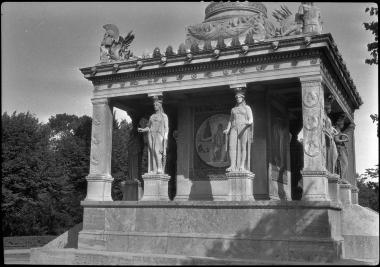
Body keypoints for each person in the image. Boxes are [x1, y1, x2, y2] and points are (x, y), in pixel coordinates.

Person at [223, 89, 253, 172]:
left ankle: (242, 165)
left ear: (242, 98)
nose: (237, 99)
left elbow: (251, 119)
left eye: (239, 97)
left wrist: (248, 122)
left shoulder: (247, 108)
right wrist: (228, 129)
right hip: (234, 127)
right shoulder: (233, 109)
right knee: (231, 146)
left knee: (243, 146)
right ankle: (232, 165)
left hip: (243, 127)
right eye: (236, 98)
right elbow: (230, 120)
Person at [138, 97, 169, 174]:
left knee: (157, 151)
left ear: (160, 106)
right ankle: (154, 169)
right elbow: (149, 127)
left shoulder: (164, 116)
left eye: (156, 105)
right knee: (152, 151)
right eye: (154, 105)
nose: (155, 106)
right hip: (151, 135)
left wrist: (165, 138)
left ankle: (159, 168)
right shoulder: (151, 116)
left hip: (159, 135)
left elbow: (166, 127)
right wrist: (143, 129)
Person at [323, 97, 338, 174]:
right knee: (331, 154)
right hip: (328, 138)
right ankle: (329, 171)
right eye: (329, 106)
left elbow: (328, 127)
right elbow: (322, 128)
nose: (330, 108)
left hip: (330, 138)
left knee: (335, 154)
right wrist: (328, 134)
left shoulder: (327, 117)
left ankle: (330, 172)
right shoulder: (322, 115)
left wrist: (332, 130)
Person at [334, 115, 351, 180]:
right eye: (342, 123)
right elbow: (336, 139)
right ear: (338, 123)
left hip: (341, 148)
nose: (343, 125)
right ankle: (341, 178)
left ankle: (342, 178)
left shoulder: (339, 130)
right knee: (344, 163)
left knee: (344, 163)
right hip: (339, 148)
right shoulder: (336, 130)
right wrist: (345, 140)